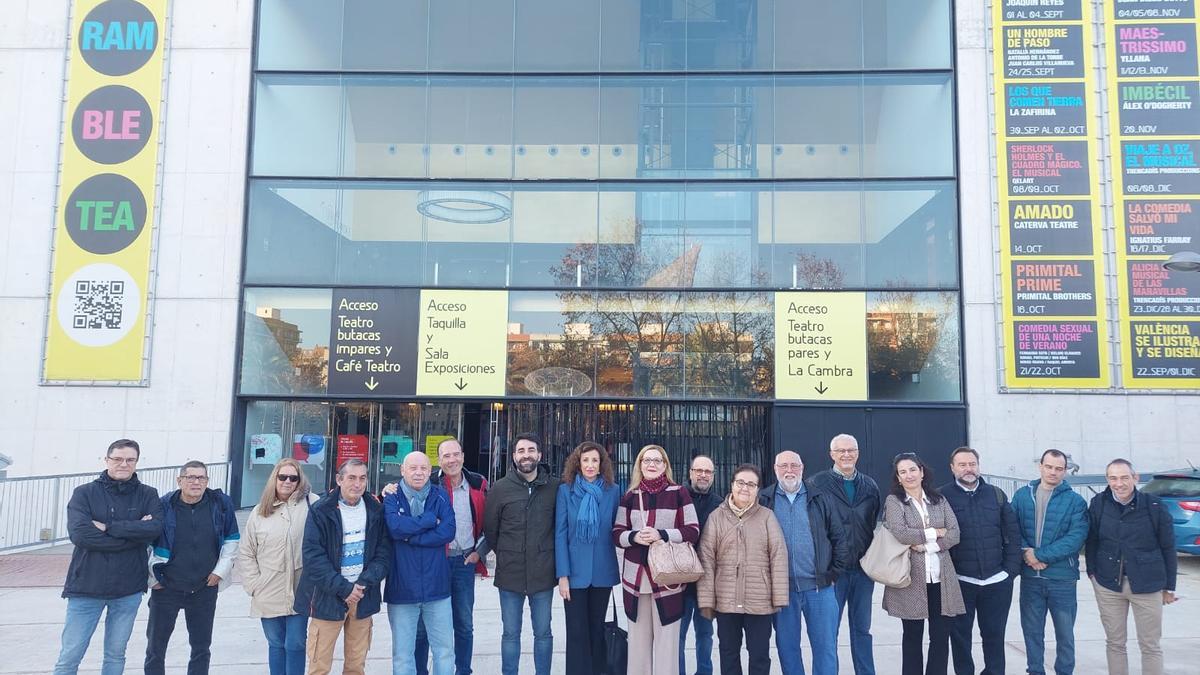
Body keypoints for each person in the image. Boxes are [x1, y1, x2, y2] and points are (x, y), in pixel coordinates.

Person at [54, 439, 164, 675]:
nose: (123, 464)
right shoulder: (84, 493)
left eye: (130, 460)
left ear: (136, 462)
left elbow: (154, 530)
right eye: (118, 459)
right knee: (70, 656)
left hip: (128, 590)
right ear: (107, 460)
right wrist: (133, 534)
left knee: (115, 656)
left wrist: (107, 527)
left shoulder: (148, 494)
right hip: (86, 587)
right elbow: (81, 535)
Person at [295, 458, 391, 675]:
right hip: (327, 597)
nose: (357, 484)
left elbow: (383, 554)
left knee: (356, 666)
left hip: (363, 597)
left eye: (362, 478)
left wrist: (362, 584)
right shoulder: (321, 510)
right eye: (351, 478)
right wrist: (344, 588)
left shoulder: (376, 510)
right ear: (339, 480)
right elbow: (313, 557)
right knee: (319, 666)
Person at [144, 461, 240, 675]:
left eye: (201, 478)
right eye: (190, 477)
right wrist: (153, 578)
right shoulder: (164, 505)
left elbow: (232, 540)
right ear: (180, 480)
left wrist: (219, 572)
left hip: (204, 588)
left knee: (201, 648)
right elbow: (147, 544)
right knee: (155, 648)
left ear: (207, 481)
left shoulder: (220, 504)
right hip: (166, 587)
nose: (196, 482)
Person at [613, 444, 701, 675]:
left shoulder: (679, 493)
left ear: (665, 466)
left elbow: (692, 530)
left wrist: (661, 534)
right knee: (638, 650)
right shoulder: (629, 496)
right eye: (646, 460)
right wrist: (634, 537)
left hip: (668, 579)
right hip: (636, 581)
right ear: (639, 465)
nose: (652, 464)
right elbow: (616, 534)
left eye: (657, 460)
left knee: (667, 648)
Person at [759, 451, 849, 675]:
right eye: (783, 466)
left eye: (794, 465)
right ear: (775, 469)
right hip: (782, 590)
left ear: (802, 468)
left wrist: (833, 574)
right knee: (787, 649)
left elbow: (839, 539)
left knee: (825, 648)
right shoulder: (764, 499)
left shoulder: (820, 498)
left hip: (819, 588)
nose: (789, 470)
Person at [405, 438, 489, 675]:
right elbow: (403, 497)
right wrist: (387, 489)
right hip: (433, 563)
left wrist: (478, 552)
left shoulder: (478, 483)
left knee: (464, 623)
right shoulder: (429, 484)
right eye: (446, 456)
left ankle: (463, 670)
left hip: (464, 562)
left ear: (462, 456)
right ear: (438, 460)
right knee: (423, 625)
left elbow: (491, 524)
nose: (451, 460)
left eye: (455, 454)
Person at [1085, 458, 1178, 675]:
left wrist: (1169, 587)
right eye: (1113, 478)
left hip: (1148, 584)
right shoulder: (1098, 503)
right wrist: (1092, 574)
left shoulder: (1154, 506)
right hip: (1108, 585)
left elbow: (1168, 547)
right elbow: (1092, 541)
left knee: (1150, 645)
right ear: (1107, 480)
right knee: (1115, 643)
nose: (1119, 483)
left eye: (1124, 477)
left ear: (1135, 478)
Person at [698, 464, 788, 675]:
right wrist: (707, 601)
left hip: (760, 602)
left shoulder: (767, 517)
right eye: (740, 483)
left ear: (758, 489)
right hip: (726, 602)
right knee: (728, 655)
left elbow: (778, 557)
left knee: (759, 656)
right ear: (732, 485)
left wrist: (779, 598)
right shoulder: (716, 517)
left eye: (751, 484)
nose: (745, 488)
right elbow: (707, 559)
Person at [940, 447, 1020, 675]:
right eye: (962, 465)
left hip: (997, 582)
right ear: (952, 468)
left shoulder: (996, 494)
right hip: (960, 582)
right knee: (960, 638)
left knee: (995, 636)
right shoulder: (941, 497)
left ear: (978, 466)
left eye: (972, 464)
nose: (968, 469)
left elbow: (1013, 534)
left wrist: (1009, 572)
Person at [483, 432, 558, 675]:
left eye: (531, 450)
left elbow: (559, 527)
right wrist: (508, 553)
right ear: (514, 456)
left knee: (543, 633)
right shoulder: (500, 489)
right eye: (521, 451)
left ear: (540, 455)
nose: (526, 455)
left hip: (543, 574)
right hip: (510, 574)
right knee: (510, 634)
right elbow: (491, 530)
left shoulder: (555, 487)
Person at [882, 453, 964, 675]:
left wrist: (928, 545)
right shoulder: (895, 501)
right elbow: (900, 533)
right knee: (912, 636)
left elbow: (955, 533)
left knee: (940, 637)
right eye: (903, 472)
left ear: (922, 471)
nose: (909, 475)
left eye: (912, 469)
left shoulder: (939, 499)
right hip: (910, 579)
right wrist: (935, 532)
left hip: (941, 578)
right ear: (898, 478)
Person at [806, 433, 880, 675]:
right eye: (841, 451)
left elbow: (872, 523)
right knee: (829, 632)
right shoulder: (816, 484)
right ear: (832, 455)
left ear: (858, 453)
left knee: (862, 630)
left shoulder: (870, 485)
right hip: (832, 572)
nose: (846, 455)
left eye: (851, 450)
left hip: (863, 571)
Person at [1011, 449, 1089, 675]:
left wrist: (1040, 556)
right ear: (1041, 466)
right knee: (1032, 632)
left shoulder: (1075, 501)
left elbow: (1076, 538)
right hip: (1030, 579)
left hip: (1062, 579)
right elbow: (1012, 528)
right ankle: (1035, 671)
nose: (1053, 472)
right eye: (1049, 467)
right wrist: (1028, 553)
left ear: (1065, 471)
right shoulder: (1022, 496)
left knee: (1065, 635)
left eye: (1059, 468)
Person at [238, 458, 315, 675]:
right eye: (283, 477)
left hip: (300, 590)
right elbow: (246, 551)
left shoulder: (312, 504)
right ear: (275, 478)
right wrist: (254, 584)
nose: (288, 481)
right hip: (268, 589)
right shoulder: (259, 512)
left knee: (296, 643)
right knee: (276, 643)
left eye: (293, 477)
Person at [384, 451, 457, 675]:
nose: (418, 473)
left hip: (437, 589)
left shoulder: (440, 495)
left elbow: (448, 531)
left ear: (430, 470)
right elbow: (394, 527)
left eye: (423, 468)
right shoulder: (391, 496)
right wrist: (427, 521)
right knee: (403, 656)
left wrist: (411, 537)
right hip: (402, 589)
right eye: (413, 468)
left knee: (444, 651)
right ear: (402, 470)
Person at [555, 441, 621, 675]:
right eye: (585, 460)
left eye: (595, 460)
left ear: (602, 464)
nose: (590, 465)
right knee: (576, 633)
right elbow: (560, 534)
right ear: (578, 463)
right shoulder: (566, 490)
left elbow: (618, 529)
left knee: (597, 631)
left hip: (602, 572)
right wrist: (562, 575)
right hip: (574, 574)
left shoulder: (613, 491)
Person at [679, 454, 722, 675]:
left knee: (705, 635)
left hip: (707, 583)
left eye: (708, 472)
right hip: (680, 582)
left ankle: (704, 672)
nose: (703, 475)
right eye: (699, 471)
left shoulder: (720, 504)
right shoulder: (678, 497)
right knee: (678, 635)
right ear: (691, 473)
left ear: (713, 476)